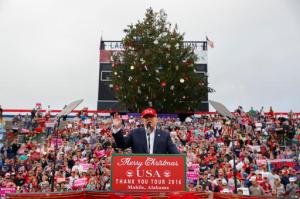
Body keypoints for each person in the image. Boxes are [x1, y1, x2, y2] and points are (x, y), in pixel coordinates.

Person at [112, 108, 179, 154]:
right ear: (142, 120)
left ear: (156, 119)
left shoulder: (165, 135)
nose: (149, 119)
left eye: (151, 117)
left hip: (159, 171)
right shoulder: (135, 133)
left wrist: (182, 161)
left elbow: (174, 153)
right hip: (139, 171)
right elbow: (121, 145)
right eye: (146, 117)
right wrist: (117, 128)